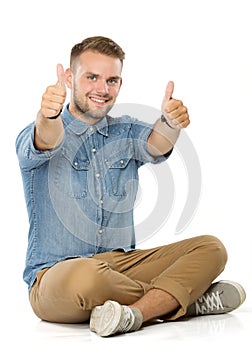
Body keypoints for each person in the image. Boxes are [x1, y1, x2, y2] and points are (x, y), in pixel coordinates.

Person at [16, 36, 246, 337]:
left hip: (122, 265)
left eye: (111, 80)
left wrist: (170, 122)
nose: (102, 89)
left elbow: (155, 144)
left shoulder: (124, 129)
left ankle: (135, 314)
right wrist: (48, 114)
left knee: (211, 248)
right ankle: (183, 301)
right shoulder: (40, 130)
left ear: (120, 85)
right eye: (92, 78)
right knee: (87, 277)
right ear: (70, 79)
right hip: (57, 278)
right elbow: (46, 137)